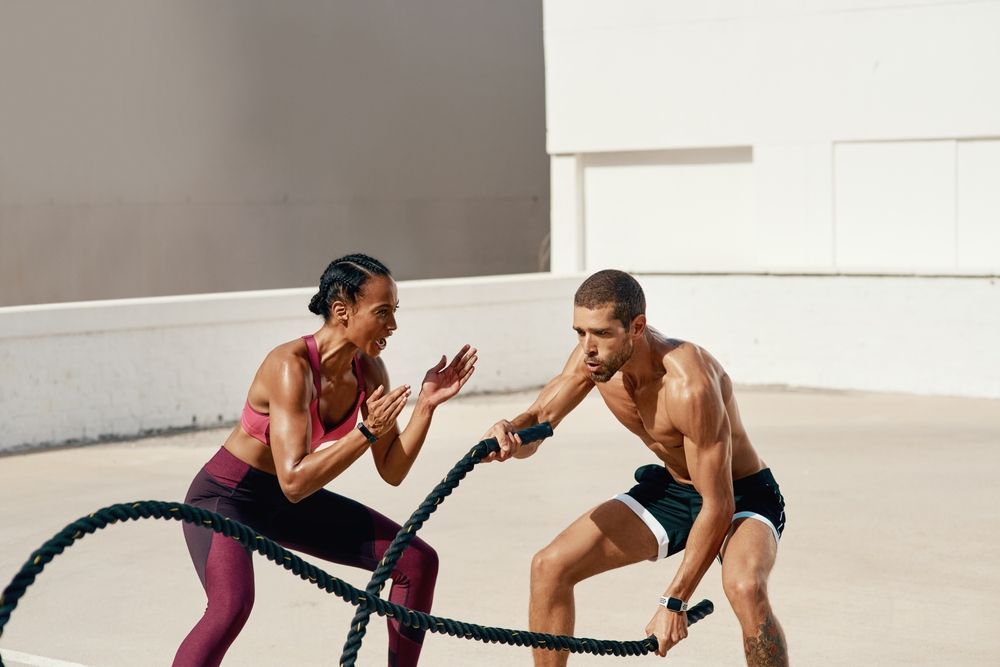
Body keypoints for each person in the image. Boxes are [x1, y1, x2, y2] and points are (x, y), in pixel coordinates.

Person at [174, 253, 477, 667]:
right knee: (231, 605)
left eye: (395, 312)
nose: (393, 325)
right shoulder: (290, 367)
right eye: (382, 312)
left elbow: (391, 470)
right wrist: (364, 433)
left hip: (286, 501)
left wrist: (425, 406)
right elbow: (295, 480)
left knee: (416, 562)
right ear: (342, 311)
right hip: (226, 498)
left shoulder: (370, 372)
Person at [484, 269, 788, 666]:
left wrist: (674, 601)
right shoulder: (593, 362)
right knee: (550, 567)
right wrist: (510, 434)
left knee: (746, 587)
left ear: (636, 327)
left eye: (602, 334)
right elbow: (540, 419)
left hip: (740, 491)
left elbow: (718, 505)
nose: (587, 347)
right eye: (580, 332)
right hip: (676, 489)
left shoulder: (687, 384)